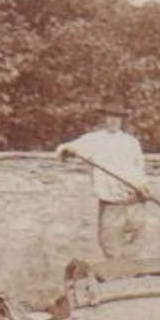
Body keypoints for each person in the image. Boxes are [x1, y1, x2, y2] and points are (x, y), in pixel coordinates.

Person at [55, 102, 149, 260]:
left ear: (122, 120)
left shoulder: (131, 143)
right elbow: (64, 149)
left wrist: (144, 187)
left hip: (134, 201)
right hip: (111, 204)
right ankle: (116, 279)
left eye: (117, 117)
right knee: (110, 244)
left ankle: (132, 279)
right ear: (104, 118)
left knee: (134, 245)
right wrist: (67, 150)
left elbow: (139, 169)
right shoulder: (94, 140)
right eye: (110, 117)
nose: (113, 121)